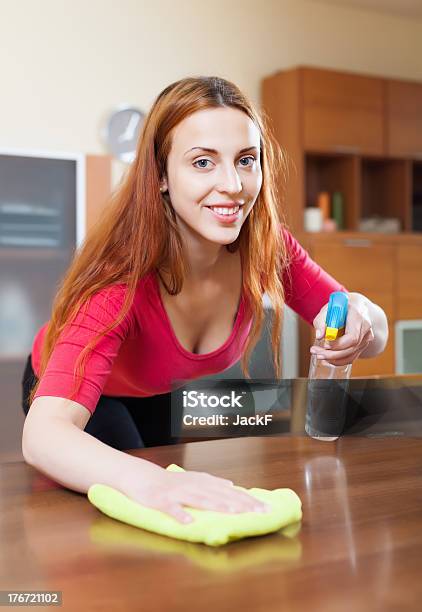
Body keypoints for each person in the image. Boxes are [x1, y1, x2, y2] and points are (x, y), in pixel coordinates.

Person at [21, 76, 388, 524]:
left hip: (158, 390)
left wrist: (361, 314)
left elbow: (366, 330)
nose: (232, 184)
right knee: (134, 498)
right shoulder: (120, 281)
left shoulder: (266, 246)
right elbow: (43, 436)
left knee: (172, 498)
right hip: (80, 398)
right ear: (160, 175)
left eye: (246, 160)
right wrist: (147, 480)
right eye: (202, 162)